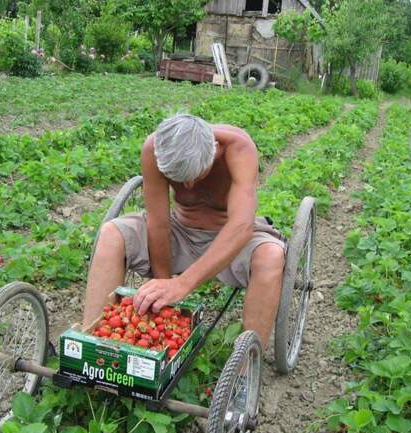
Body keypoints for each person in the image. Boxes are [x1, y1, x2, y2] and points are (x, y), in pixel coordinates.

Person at [83, 113, 285, 347]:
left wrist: (183, 284)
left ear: (213, 151)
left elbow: (241, 226)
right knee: (111, 235)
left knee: (271, 256)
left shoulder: (238, 148)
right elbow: (158, 223)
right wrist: (164, 285)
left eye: (197, 176)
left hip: (228, 236)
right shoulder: (156, 148)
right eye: (179, 180)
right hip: (180, 230)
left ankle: (247, 366)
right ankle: (91, 342)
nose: (188, 186)